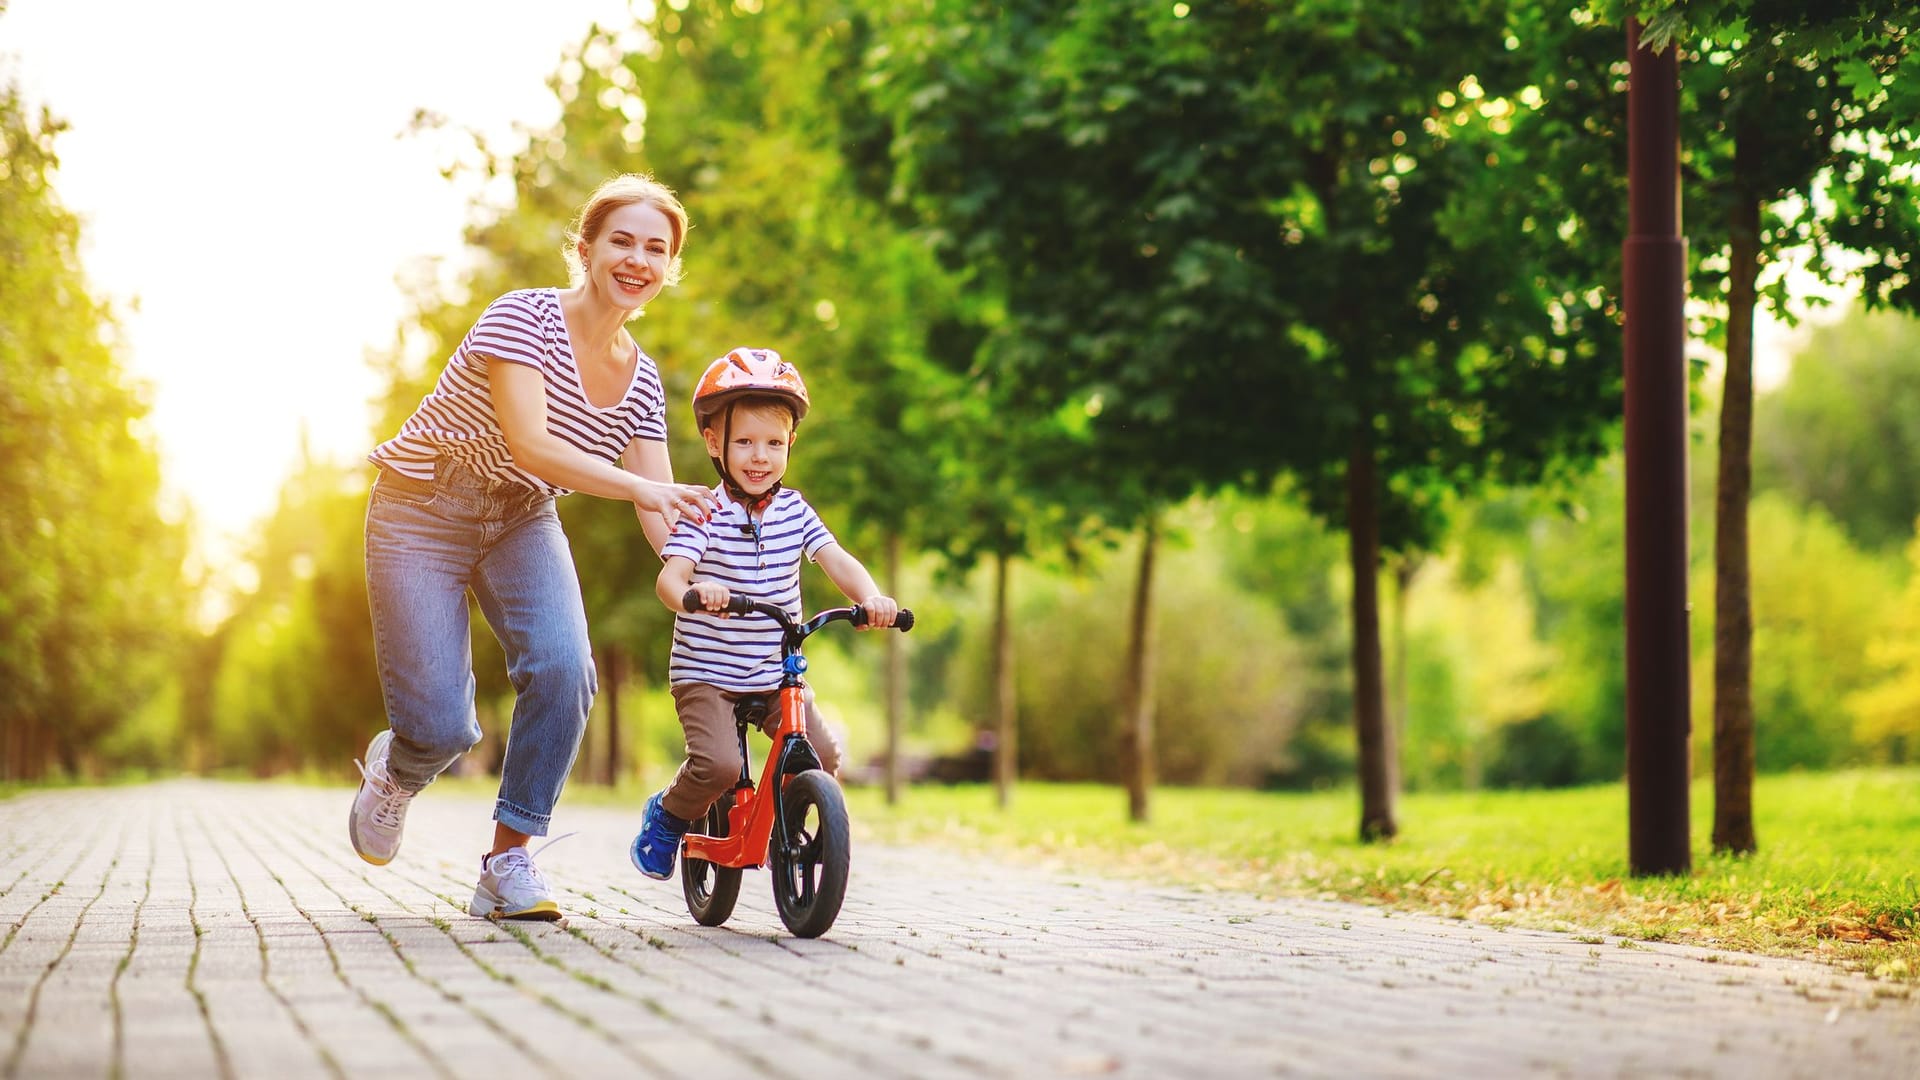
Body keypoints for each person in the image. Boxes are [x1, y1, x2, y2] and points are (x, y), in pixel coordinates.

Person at [350, 173, 718, 922]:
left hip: (520, 518)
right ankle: (398, 769)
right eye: (622, 240)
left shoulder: (642, 380)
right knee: (444, 726)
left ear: (668, 268)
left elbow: (662, 513)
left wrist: (701, 572)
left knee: (565, 669)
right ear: (584, 248)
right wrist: (643, 491)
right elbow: (533, 444)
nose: (637, 259)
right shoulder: (523, 319)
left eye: (656, 248)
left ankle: (507, 859)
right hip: (422, 506)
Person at [628, 348, 898, 880]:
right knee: (719, 766)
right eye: (745, 442)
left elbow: (835, 558)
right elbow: (669, 578)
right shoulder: (703, 511)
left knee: (821, 752)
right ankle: (668, 814)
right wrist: (694, 589)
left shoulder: (795, 510)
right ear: (714, 443)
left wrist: (872, 598)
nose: (760, 457)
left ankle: (795, 832)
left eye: (774, 444)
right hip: (708, 674)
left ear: (790, 445)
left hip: (774, 673)